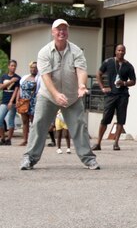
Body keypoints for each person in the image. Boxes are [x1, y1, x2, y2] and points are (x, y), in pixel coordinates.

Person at [20, 19, 99, 170]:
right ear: (53, 32)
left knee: (79, 126)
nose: (61, 32)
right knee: (39, 125)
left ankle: (89, 159)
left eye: (64, 29)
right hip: (48, 95)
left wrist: (82, 86)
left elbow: (81, 71)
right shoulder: (44, 52)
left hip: (72, 96)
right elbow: (46, 77)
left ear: (67, 32)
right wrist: (55, 94)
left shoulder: (76, 51)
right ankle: (29, 158)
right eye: (58, 29)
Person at [92, 44, 136, 151]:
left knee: (121, 120)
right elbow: (98, 74)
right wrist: (103, 87)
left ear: (125, 52)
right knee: (105, 119)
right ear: (115, 51)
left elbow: (133, 81)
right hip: (110, 95)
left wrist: (124, 83)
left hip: (123, 95)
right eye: (119, 50)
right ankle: (98, 143)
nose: (121, 52)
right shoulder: (108, 62)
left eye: (123, 51)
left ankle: (116, 143)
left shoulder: (128, 66)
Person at [17, 61, 39, 146]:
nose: (33, 69)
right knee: (25, 121)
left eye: (35, 67)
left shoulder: (39, 78)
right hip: (24, 101)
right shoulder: (24, 77)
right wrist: (18, 99)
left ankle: (33, 140)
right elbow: (20, 89)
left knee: (33, 122)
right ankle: (25, 140)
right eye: (32, 67)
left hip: (34, 101)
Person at [0, 59, 21, 145]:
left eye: (15, 66)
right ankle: (2, 138)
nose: (13, 67)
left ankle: (9, 139)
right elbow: (1, 87)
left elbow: (16, 90)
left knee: (10, 121)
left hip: (12, 102)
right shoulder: (3, 77)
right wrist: (11, 81)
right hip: (4, 101)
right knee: (0, 119)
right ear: (8, 66)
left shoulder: (18, 78)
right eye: (12, 65)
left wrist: (11, 101)